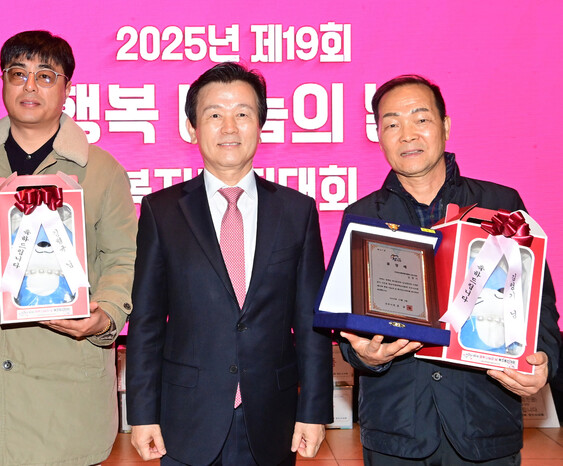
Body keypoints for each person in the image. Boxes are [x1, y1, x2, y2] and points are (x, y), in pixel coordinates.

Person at [340, 74, 561, 465]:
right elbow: (349, 323)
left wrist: (543, 362)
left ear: (445, 126)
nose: (407, 134)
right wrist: (365, 357)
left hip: (484, 422)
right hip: (397, 431)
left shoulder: (501, 204)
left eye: (420, 118)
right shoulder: (362, 216)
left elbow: (537, 304)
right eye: (392, 124)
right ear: (379, 135)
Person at [0, 30, 137, 465]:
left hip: (65, 394)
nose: (29, 86)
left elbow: (122, 257)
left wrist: (105, 314)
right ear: (3, 82)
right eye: (18, 74)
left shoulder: (102, 171)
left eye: (45, 76)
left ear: (67, 90)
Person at [125, 62, 333, 465]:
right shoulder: (161, 211)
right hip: (186, 418)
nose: (229, 127)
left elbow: (311, 323)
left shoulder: (297, 211)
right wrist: (143, 414)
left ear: (261, 126)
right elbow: (147, 322)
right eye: (214, 115)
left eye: (242, 113)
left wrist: (314, 411)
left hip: (271, 418)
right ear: (192, 128)